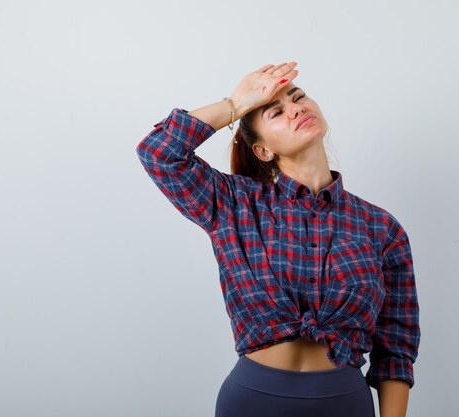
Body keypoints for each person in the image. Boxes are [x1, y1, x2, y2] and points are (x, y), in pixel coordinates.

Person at [136, 62, 421, 417]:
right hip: (252, 400)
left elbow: (395, 348)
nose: (296, 108)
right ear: (263, 151)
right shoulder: (231, 203)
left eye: (299, 98)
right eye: (276, 111)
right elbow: (159, 153)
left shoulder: (381, 227)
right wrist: (237, 103)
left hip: (345, 404)